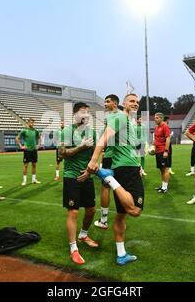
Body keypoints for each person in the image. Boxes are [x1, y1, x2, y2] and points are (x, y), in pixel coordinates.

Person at [87, 93, 144, 266]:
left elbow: (130, 147)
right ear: (124, 104)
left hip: (130, 165)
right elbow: (104, 138)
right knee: (135, 210)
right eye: (132, 101)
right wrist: (94, 160)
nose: (135, 104)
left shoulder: (128, 120)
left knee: (121, 216)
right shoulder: (119, 116)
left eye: (137, 102)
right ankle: (108, 178)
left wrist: (139, 164)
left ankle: (121, 254)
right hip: (126, 169)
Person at [58, 102, 99, 265]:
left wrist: (89, 171)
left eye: (88, 113)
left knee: (91, 210)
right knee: (73, 212)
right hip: (71, 176)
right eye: (83, 112)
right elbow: (62, 154)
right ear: (75, 115)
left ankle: (83, 235)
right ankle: (73, 248)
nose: (86, 115)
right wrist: (81, 147)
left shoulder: (92, 132)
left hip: (87, 176)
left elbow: (97, 152)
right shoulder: (67, 131)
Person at [94, 95, 119, 230]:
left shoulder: (112, 117)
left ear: (115, 103)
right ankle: (121, 220)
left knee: (106, 186)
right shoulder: (124, 116)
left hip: (112, 156)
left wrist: (96, 158)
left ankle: (103, 220)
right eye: (104, 101)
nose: (105, 103)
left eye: (108, 101)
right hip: (123, 158)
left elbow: (105, 138)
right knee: (121, 187)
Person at [16, 118, 42, 186]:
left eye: (33, 122)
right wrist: (21, 146)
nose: (32, 123)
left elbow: (39, 138)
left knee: (34, 165)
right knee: (25, 165)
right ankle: (24, 180)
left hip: (34, 150)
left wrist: (38, 145)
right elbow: (17, 138)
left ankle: (34, 180)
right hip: (27, 150)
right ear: (28, 122)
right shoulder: (24, 130)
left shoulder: (35, 131)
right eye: (31, 122)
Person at [153, 113, 171, 194]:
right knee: (161, 169)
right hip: (157, 151)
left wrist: (166, 151)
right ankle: (163, 185)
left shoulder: (165, 126)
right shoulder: (156, 127)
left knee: (165, 169)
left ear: (161, 118)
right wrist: (153, 146)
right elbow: (156, 139)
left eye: (156, 118)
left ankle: (165, 187)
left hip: (163, 151)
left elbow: (168, 139)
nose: (155, 119)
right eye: (155, 118)